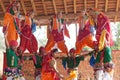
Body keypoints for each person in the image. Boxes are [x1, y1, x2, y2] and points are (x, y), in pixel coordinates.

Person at [88, 8, 114, 80]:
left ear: (94, 12)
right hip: (100, 44)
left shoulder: (101, 17)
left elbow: (104, 28)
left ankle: (106, 71)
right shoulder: (94, 20)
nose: (91, 15)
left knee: (107, 63)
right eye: (90, 14)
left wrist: (104, 39)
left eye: (91, 13)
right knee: (97, 67)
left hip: (104, 40)